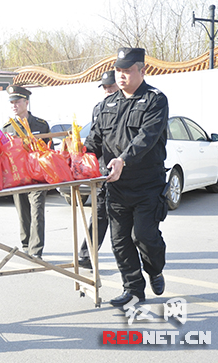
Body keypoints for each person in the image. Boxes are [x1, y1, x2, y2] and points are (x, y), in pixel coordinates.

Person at [84, 48, 169, 307]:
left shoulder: (155, 100)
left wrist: (124, 159)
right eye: (119, 71)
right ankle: (133, 289)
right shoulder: (106, 104)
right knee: (119, 242)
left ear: (142, 71)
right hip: (116, 186)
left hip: (147, 184)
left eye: (128, 71)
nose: (121, 76)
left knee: (144, 236)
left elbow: (147, 136)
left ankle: (154, 269)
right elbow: (94, 140)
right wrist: (78, 155)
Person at [2, 85, 51, 259]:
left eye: (17, 102)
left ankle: (36, 250)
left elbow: (48, 149)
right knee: (23, 212)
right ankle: (26, 244)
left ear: (26, 102)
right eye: (12, 103)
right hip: (19, 177)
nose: (14, 105)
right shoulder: (7, 128)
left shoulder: (41, 125)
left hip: (37, 176)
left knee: (37, 211)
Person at [78, 70, 119, 270]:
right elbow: (95, 137)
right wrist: (82, 153)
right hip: (103, 170)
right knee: (99, 213)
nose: (108, 90)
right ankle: (86, 255)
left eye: (111, 86)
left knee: (125, 222)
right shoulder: (99, 108)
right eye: (105, 87)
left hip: (125, 169)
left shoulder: (127, 107)